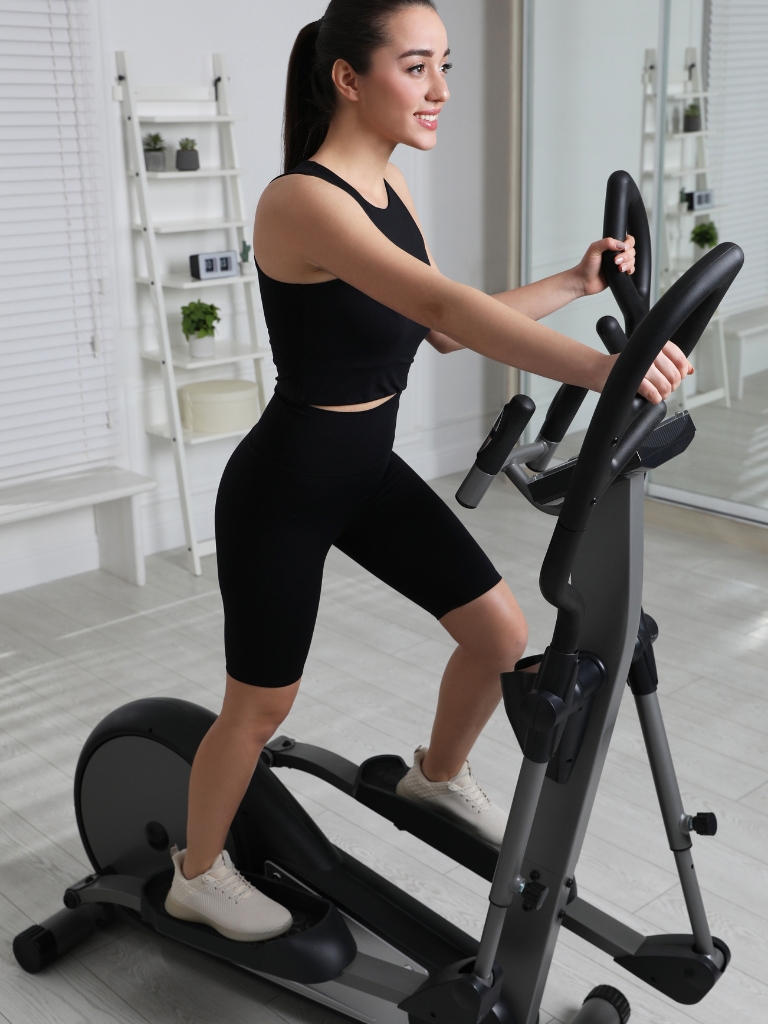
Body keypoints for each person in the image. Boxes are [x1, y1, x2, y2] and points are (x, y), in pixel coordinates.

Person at [164, 0, 692, 942]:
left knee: (499, 634)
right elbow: (441, 298)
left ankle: (436, 775)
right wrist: (612, 370)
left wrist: (574, 284)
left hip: (366, 468)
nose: (441, 90)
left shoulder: (390, 188)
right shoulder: (303, 200)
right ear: (347, 76)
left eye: (444, 64)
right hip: (286, 482)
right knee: (260, 704)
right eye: (418, 67)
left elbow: (442, 326)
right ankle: (196, 874)